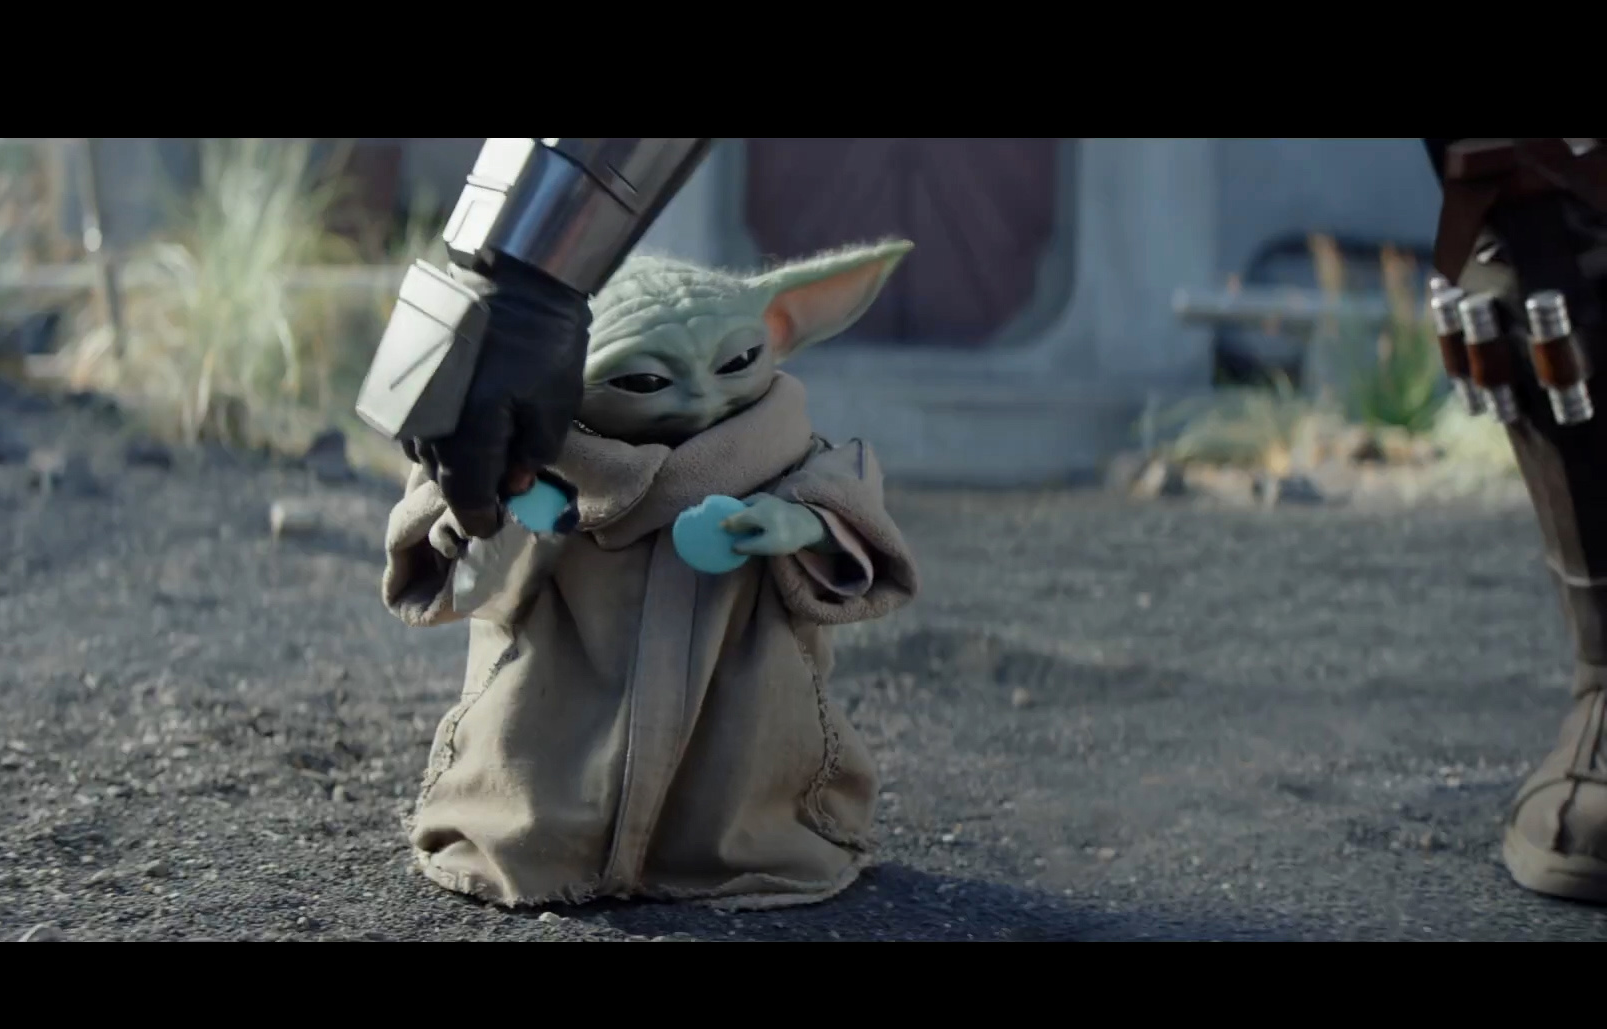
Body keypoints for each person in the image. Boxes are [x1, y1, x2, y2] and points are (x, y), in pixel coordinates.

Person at [355, 137, 1607, 905]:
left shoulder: (785, 455)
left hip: (741, 767)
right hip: (561, 770)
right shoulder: (575, 473)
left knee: (1543, 194)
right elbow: (450, 563)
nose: (691, 398)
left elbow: (855, 543)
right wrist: (517, 274)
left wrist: (797, 535)